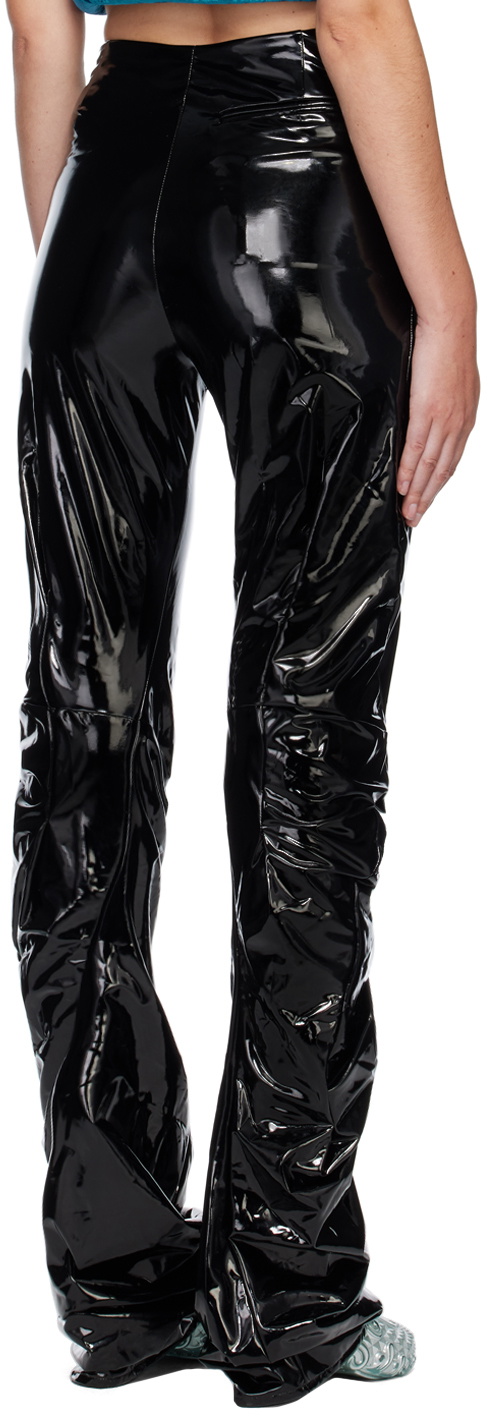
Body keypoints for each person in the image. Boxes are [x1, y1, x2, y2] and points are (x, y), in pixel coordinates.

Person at [6, 0, 479, 1406]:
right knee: (305, 736)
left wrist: (79, 256)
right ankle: (285, 1289)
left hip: (103, 188)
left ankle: (119, 1283)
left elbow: (37, 21)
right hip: (294, 191)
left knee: (86, 730)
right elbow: (356, 11)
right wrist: (450, 303)